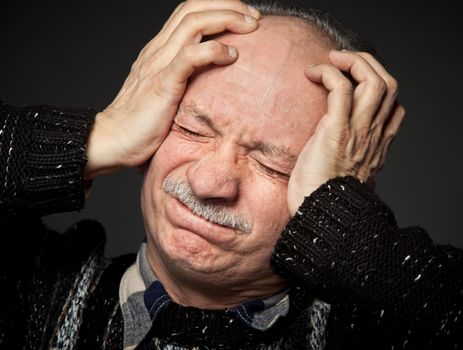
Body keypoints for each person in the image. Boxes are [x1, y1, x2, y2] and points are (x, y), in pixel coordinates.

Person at [1, 0, 462, 349]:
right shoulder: (32, 288)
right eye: (191, 128)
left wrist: (344, 226)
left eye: (273, 164)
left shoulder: (376, 334)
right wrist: (97, 137)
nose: (209, 183)